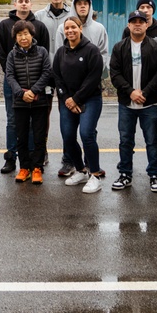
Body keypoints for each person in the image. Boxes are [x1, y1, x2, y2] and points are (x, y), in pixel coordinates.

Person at [110, 10, 157, 193]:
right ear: (128, 25)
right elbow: (115, 74)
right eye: (133, 21)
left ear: (146, 24)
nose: (137, 24)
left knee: (152, 140)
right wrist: (131, 92)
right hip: (127, 103)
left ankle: (155, 175)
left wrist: (145, 92)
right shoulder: (119, 47)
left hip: (149, 103)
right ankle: (125, 174)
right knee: (126, 140)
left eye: (141, 21)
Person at [0, 0, 50, 174]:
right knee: (13, 121)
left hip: (36, 86)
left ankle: (34, 160)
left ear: (31, 4)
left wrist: (35, 88)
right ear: (15, 3)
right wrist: (15, 81)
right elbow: (1, 52)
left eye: (27, 1)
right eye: (20, 1)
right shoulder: (4, 25)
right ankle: (11, 157)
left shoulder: (39, 26)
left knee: (35, 123)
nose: (24, 4)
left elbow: (44, 54)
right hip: (13, 82)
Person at [54, 15, 105, 194]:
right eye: (67, 28)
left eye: (73, 27)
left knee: (86, 134)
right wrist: (68, 98)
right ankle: (81, 170)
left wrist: (76, 99)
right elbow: (57, 78)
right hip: (67, 101)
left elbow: (93, 78)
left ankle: (95, 175)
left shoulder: (91, 50)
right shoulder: (61, 52)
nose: (70, 31)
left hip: (90, 99)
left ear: (80, 28)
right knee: (68, 136)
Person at [6, 20, 52, 184]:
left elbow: (47, 72)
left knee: (39, 136)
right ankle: (24, 167)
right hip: (20, 102)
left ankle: (37, 168)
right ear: (15, 37)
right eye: (19, 35)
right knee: (22, 136)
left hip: (39, 101)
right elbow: (9, 76)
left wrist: (33, 91)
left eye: (26, 33)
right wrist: (20, 93)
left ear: (32, 35)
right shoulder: (12, 55)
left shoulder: (42, 52)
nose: (23, 37)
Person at [34, 0, 73, 176]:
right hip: (46, 71)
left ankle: (69, 155)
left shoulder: (72, 16)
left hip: (68, 71)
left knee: (68, 115)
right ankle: (43, 151)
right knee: (44, 113)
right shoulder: (40, 16)